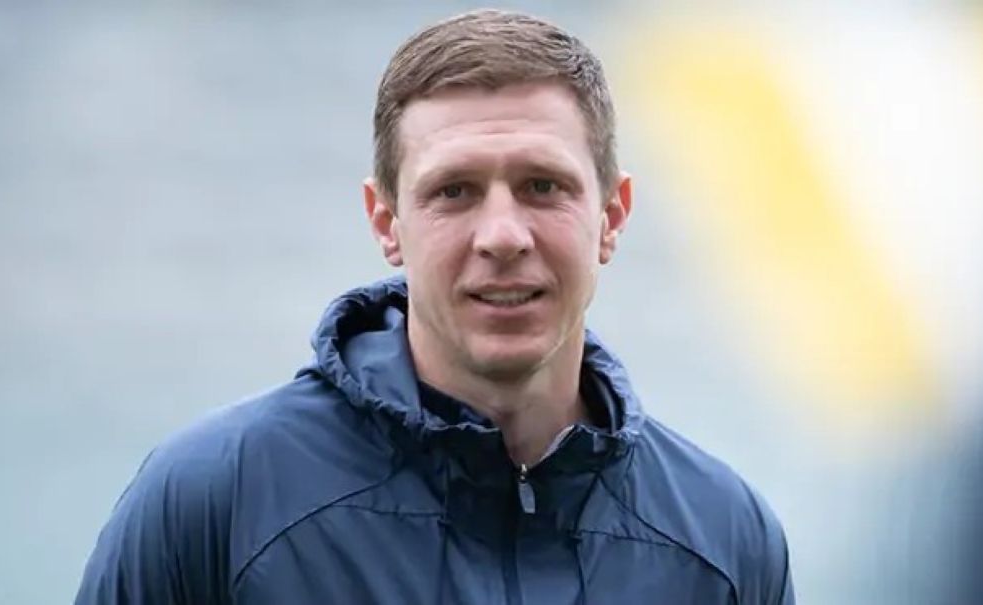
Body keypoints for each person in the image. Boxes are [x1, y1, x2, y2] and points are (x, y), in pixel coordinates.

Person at [75, 9, 794, 604]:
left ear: (612, 214)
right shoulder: (217, 503)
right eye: (454, 191)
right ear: (386, 222)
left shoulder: (725, 541)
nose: (503, 235)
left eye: (543, 186)